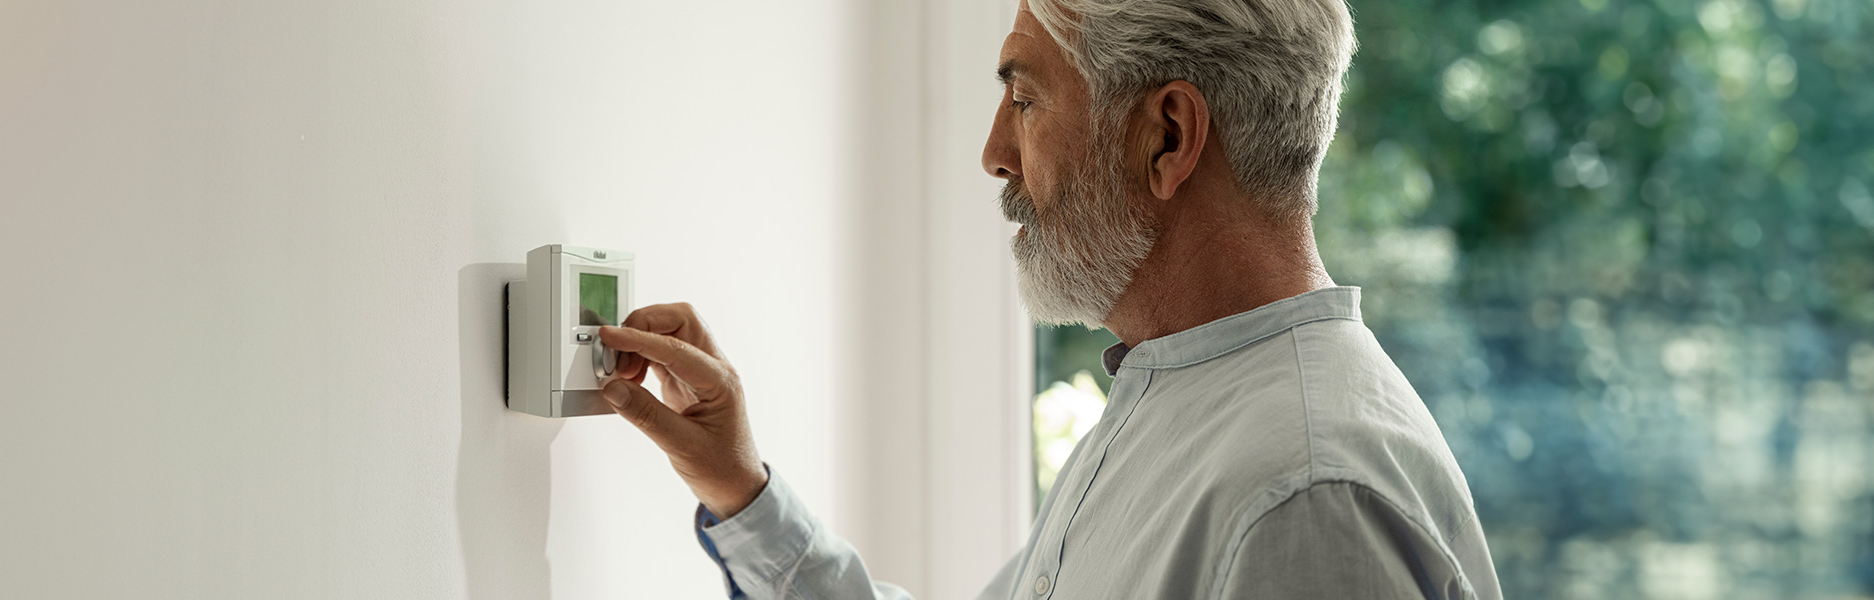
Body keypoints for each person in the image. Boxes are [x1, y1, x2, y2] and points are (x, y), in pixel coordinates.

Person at [594, 0, 1503, 597]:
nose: (994, 151)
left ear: (1168, 135)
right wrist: (741, 491)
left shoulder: (1302, 494)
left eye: (1025, 100)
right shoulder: (1179, 401)